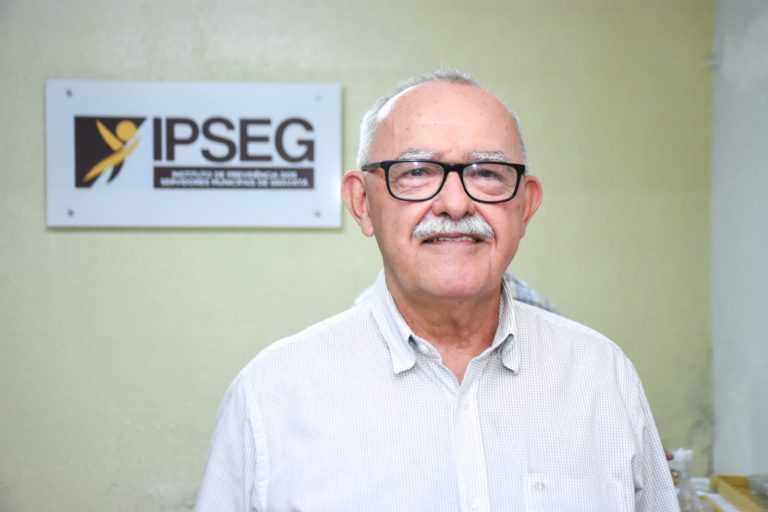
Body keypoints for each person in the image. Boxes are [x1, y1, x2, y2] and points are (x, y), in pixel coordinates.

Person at [195, 69, 679, 511]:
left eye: (487, 173)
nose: (454, 203)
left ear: (525, 206)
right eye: (417, 172)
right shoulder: (272, 394)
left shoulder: (601, 377)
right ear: (362, 203)